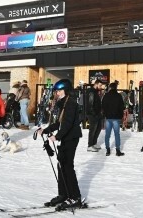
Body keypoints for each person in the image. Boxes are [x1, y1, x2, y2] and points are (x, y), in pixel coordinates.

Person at [36, 79, 83, 211]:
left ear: (66, 91)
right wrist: (45, 130)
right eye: (56, 91)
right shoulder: (63, 104)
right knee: (61, 165)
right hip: (66, 138)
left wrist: (57, 136)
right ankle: (63, 194)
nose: (57, 93)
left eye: (59, 91)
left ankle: (75, 197)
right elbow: (59, 123)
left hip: (71, 138)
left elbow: (67, 124)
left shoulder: (71, 103)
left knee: (67, 166)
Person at [101, 81, 125, 156]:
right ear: (116, 88)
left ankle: (107, 149)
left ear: (110, 88)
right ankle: (118, 150)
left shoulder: (106, 95)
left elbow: (103, 106)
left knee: (107, 134)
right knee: (117, 134)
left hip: (108, 118)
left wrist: (105, 114)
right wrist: (121, 116)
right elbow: (122, 107)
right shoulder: (119, 96)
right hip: (116, 118)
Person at [86, 78, 104, 152]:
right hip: (92, 114)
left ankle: (94, 143)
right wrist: (94, 114)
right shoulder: (92, 92)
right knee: (93, 129)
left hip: (97, 114)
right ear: (96, 84)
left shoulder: (96, 92)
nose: (100, 87)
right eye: (99, 85)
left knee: (98, 128)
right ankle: (90, 145)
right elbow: (90, 104)